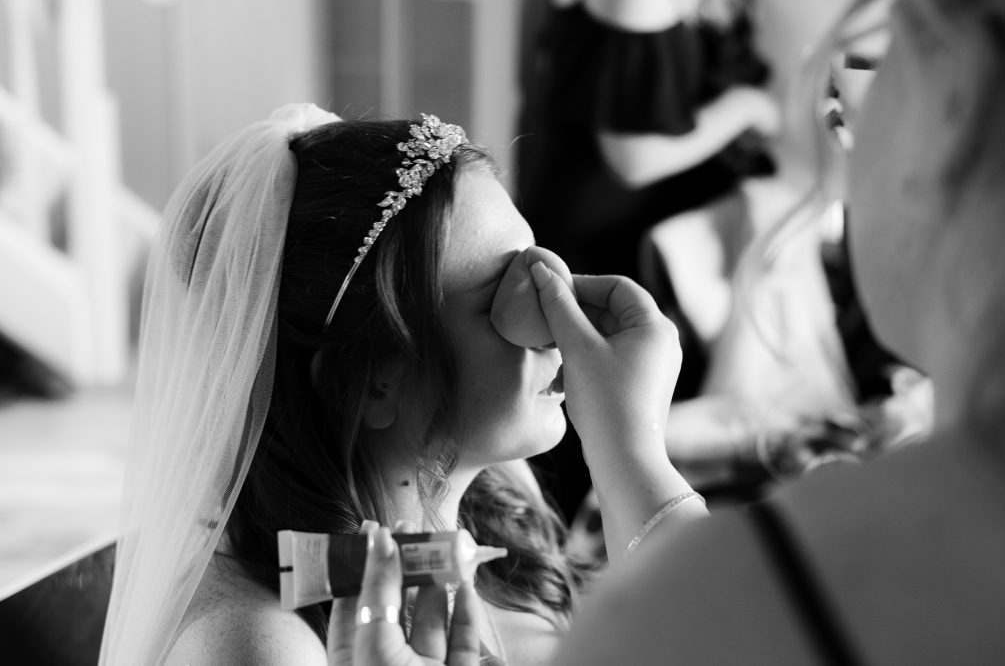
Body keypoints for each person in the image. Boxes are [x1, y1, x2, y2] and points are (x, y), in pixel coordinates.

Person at [354, 0, 1005, 662]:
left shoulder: (724, 602)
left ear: (954, 106)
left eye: (853, 88)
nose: (841, 134)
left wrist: (636, 462)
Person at [98, 106, 705, 664]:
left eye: (543, 268)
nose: (557, 322)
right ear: (374, 385)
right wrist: (635, 453)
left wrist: (629, 449)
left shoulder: (501, 525)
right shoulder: (258, 645)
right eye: (505, 295)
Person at [518, 0, 780, 520]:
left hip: (620, 234)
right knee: (580, 412)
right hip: (597, 241)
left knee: (597, 411)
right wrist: (747, 107)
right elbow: (633, 157)